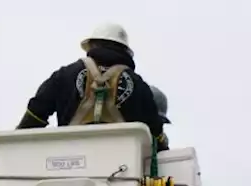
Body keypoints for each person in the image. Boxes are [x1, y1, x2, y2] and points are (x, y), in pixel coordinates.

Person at [17, 23, 170, 151]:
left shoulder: (64, 75)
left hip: (67, 164)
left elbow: (35, 115)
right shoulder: (139, 86)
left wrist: (11, 145)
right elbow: (155, 135)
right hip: (122, 172)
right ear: (125, 52)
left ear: (92, 45)